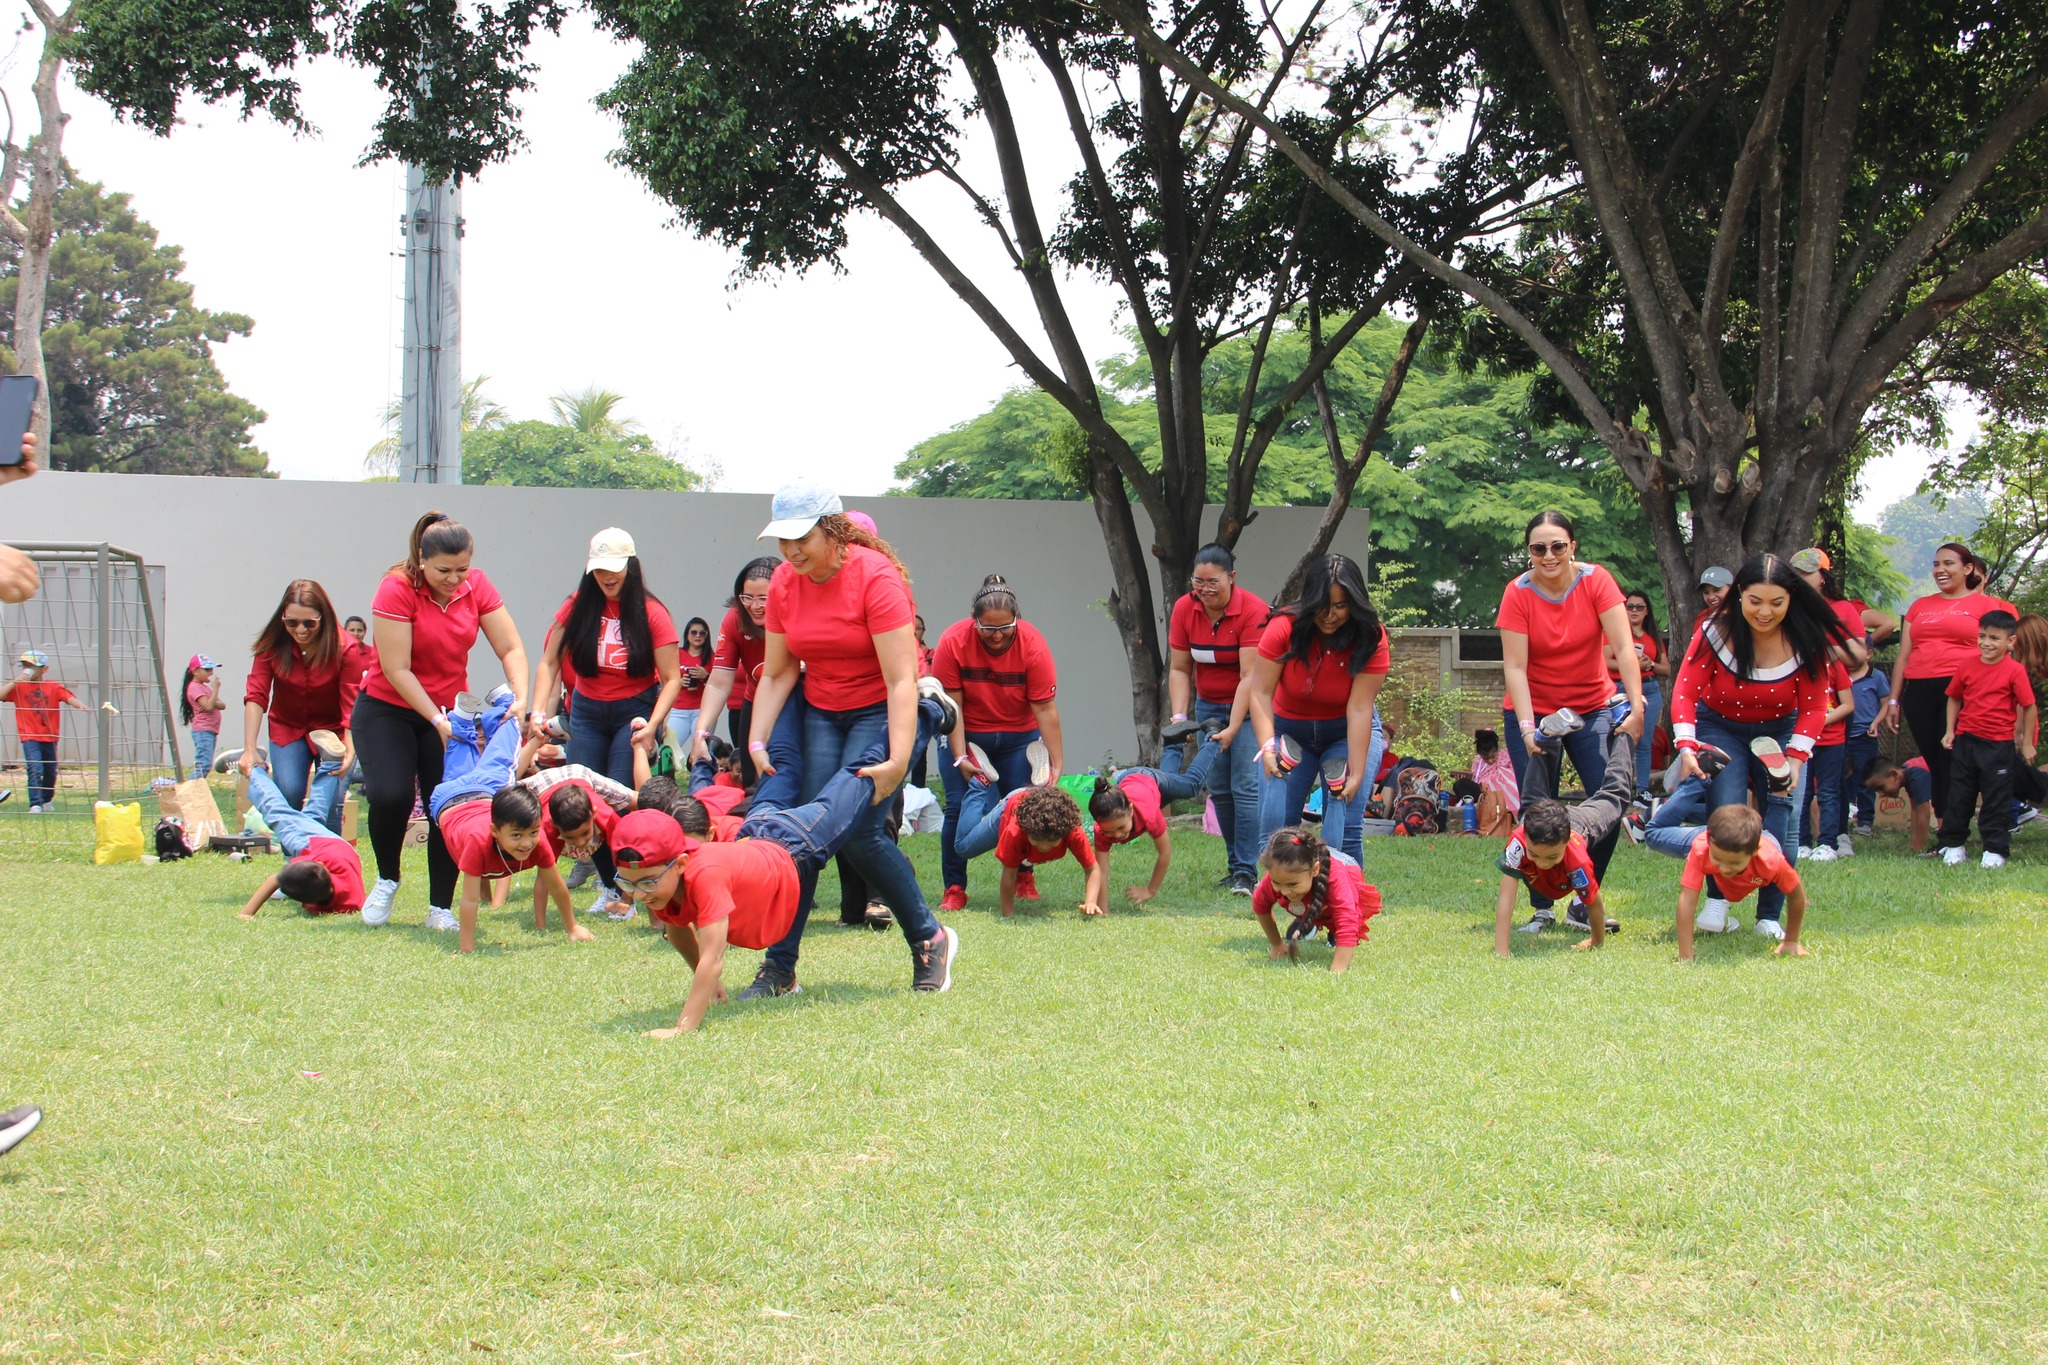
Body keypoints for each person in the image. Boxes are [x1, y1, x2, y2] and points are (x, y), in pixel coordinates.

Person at [743, 481, 960, 998]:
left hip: (877, 710)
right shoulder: (784, 585)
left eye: (802, 538)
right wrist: (756, 741)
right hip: (820, 709)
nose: (791, 551)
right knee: (807, 831)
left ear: (833, 530)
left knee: (856, 833)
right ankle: (781, 970)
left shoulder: (875, 578)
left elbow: (899, 678)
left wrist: (898, 759)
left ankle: (929, 937)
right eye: (782, 541)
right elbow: (776, 673)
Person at [617, 709, 959, 1036]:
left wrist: (685, 1025)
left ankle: (928, 712)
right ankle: (793, 694)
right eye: (628, 884)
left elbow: (713, 956)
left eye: (646, 883)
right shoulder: (657, 879)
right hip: (757, 827)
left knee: (858, 779)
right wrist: (708, 984)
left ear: (678, 863)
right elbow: (678, 933)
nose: (641, 894)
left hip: (796, 842)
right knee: (780, 765)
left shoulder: (702, 873)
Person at [1647, 553, 1848, 941]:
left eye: (1776, 603)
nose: (1765, 612)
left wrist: (1796, 760)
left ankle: (1768, 915)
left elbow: (1813, 707)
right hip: (1720, 727)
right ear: (1739, 594)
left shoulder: (1807, 640)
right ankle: (1718, 901)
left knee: (1784, 818)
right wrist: (1686, 745)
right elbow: (1686, 690)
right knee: (1726, 814)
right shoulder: (1714, 632)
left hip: (1783, 730)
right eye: (1755, 601)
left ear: (1791, 598)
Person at [354, 511, 530, 932]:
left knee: (449, 804)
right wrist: (435, 718)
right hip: (388, 708)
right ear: (421, 559)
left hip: (452, 714)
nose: (455, 579)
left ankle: (440, 907)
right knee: (390, 794)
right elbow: (397, 669)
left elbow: (511, 647)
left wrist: (521, 697)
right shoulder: (396, 588)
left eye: (462, 570)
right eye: (444, 571)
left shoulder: (477, 585)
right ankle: (387, 878)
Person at [1496, 512, 1644, 932]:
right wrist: (1527, 727)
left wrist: (1636, 706)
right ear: (1529, 553)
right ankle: (1542, 907)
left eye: (1557, 545)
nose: (1548, 555)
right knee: (1537, 810)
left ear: (1573, 546)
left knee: (1609, 802)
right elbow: (1515, 667)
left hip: (1592, 706)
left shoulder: (1597, 581)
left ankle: (1584, 900)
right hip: (1534, 710)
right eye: (1538, 548)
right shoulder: (1518, 592)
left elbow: (1623, 647)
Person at [1247, 553, 1390, 866]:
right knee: (1278, 828)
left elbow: (1360, 707)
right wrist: (1268, 746)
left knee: (1347, 823)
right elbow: (1260, 691)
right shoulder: (1283, 628)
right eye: (1323, 605)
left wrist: (1358, 769)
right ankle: (1284, 900)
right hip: (1289, 730)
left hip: (1343, 730)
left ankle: (1345, 906)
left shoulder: (1371, 637)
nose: (1330, 615)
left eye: (1341, 605)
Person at [932, 573, 1063, 909]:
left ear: (1017, 619)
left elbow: (1045, 708)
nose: (997, 635)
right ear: (973, 621)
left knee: (1024, 807)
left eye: (1006, 627)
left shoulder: (1032, 644)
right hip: (967, 732)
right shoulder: (953, 641)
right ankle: (955, 887)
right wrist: (960, 758)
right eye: (988, 629)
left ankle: (1023, 874)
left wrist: (1057, 762)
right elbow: (952, 707)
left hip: (1020, 739)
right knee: (958, 809)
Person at [428, 694, 589, 954]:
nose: (527, 843)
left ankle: (463, 718)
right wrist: (467, 949)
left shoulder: (534, 839)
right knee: (505, 755)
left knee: (471, 755)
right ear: (495, 831)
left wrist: (572, 928)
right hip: (451, 799)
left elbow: (556, 885)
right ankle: (502, 707)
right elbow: (469, 899)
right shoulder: (477, 842)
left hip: (484, 794)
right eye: (516, 836)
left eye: (532, 833)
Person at [531, 528, 683, 792]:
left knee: (620, 791)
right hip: (586, 710)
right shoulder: (577, 605)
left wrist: (653, 726)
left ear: (630, 566)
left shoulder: (653, 612)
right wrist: (538, 711)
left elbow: (672, 679)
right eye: (599, 569)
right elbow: (549, 662)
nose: (606, 576)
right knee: (581, 792)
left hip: (635, 710)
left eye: (613, 568)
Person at [1878, 543, 2018, 824]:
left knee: (1952, 760)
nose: (1940, 570)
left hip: (1962, 690)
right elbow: (1903, 657)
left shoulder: (1988, 605)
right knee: (1933, 759)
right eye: (1936, 564)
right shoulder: (1920, 606)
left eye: (1948, 564)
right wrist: (1894, 700)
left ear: (1967, 569)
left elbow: (2003, 654)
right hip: (1918, 690)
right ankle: (1946, 829)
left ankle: (1953, 834)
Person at [1165, 544, 1270, 895]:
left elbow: (1249, 677)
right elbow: (1180, 668)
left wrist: (1234, 727)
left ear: (1232, 578)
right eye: (1198, 581)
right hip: (1209, 705)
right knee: (1220, 790)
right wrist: (1181, 717)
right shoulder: (1185, 608)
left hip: (1250, 705)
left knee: (1246, 786)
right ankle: (1236, 866)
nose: (1205, 589)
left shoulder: (1252, 610)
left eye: (1214, 582)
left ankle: (1247, 870)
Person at [232, 580, 364, 832]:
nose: (300, 630)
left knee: (333, 801)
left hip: (333, 732)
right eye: (291, 622)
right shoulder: (271, 645)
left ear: (322, 618)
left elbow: (351, 702)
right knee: (289, 793)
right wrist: (250, 749)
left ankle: (329, 866)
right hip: (288, 727)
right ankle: (294, 865)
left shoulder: (344, 647)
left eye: (309, 623)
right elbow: (257, 695)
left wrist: (349, 750)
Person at [1493, 729, 1636, 955]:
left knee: (1615, 795)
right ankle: (1548, 738)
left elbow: (1594, 903)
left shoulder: (1575, 855)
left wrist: (1596, 941)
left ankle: (1624, 732)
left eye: (1552, 857)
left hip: (1579, 823)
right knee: (1531, 797)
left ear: (1565, 844)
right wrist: (1501, 950)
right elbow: (1506, 898)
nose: (1543, 864)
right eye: (1535, 855)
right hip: (1538, 818)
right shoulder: (1519, 843)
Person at [1936, 610, 2036, 868]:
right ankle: (1954, 844)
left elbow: (2029, 705)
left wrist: (2025, 743)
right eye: (1982, 636)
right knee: (1959, 794)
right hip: (1966, 741)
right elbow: (1954, 697)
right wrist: (1950, 730)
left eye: (1994, 638)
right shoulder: (1967, 666)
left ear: (2010, 642)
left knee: (1996, 798)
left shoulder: (2015, 671)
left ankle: (1995, 849)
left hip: (1998, 745)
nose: (1986, 643)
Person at [1086, 730, 1225, 905]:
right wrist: (1103, 911)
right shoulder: (1103, 827)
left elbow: (1164, 853)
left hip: (1149, 778)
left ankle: (1213, 738)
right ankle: (1174, 742)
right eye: (1110, 832)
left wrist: (1150, 890)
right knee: (1171, 780)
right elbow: (1102, 871)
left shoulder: (1149, 815)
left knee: (1191, 786)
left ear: (1130, 809)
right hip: (1138, 786)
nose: (1117, 836)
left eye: (1121, 828)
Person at [1656, 805, 1810, 960]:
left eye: (1734, 863)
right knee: (1653, 835)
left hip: (1767, 843)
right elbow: (1686, 901)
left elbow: (1796, 895)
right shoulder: (1701, 850)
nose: (1724, 868)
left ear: (1753, 853)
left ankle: (1780, 794)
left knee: (1777, 832)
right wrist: (1686, 956)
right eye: (1717, 859)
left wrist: (1791, 941)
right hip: (1720, 841)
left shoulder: (1770, 860)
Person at [953, 778, 1107, 917]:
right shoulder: (1015, 831)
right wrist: (1008, 914)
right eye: (1036, 839)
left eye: (1052, 841)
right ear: (1027, 831)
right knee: (963, 848)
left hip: (1041, 801)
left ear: (1064, 833)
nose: (1044, 846)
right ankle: (978, 785)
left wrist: (1091, 902)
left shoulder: (1072, 830)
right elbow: (1008, 876)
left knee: (1024, 857)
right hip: (1014, 803)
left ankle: (1042, 781)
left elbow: (1092, 869)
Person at [236, 764, 366, 917]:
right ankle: (331, 765)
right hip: (318, 844)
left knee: (292, 813)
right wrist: (246, 913)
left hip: (340, 849)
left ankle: (253, 769)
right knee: (284, 815)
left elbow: (276, 880)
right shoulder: (343, 903)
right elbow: (275, 880)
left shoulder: (352, 902)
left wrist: (246, 913)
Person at [690, 558, 777, 787]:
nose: (755, 606)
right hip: (755, 703)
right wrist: (701, 732)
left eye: (763, 598)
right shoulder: (735, 619)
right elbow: (719, 682)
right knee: (753, 782)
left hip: (797, 704)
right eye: (748, 597)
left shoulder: (796, 616)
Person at [1250, 826, 1382, 973]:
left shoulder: (1337, 879)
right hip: (1313, 877)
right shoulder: (1279, 874)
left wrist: (1338, 970)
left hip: (1343, 869)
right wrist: (1277, 944)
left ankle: (1325, 925)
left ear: (1314, 870)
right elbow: (1261, 906)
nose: (1285, 891)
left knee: (1339, 922)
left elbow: (1347, 920)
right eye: (1277, 883)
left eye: (1292, 884)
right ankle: (1311, 916)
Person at [1, 650, 89, 812]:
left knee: (50, 770)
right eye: (26, 666)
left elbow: (67, 697)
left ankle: (46, 800)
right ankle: (35, 803)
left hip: (50, 736)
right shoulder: (19, 686)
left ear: (44, 669)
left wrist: (80, 705)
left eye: (33, 666)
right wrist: (15, 681)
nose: (28, 669)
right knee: (35, 768)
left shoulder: (53, 686)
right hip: (29, 736)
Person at [1607, 590, 1669, 797]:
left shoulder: (1653, 637)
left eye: (1639, 607)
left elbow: (1666, 669)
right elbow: (1604, 660)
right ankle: (1615, 789)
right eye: (1629, 606)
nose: (1634, 611)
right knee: (1617, 740)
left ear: (1647, 611)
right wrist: (1632, 664)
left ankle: (1642, 790)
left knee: (1644, 740)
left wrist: (1650, 664)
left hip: (1649, 689)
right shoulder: (1614, 631)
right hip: (1620, 689)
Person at [1795, 655, 1856, 862]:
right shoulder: (1792, 666)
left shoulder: (1835, 666)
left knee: (1828, 792)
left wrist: (1820, 720)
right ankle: (1801, 842)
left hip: (1832, 741)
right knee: (1801, 792)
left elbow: (1847, 705)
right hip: (1801, 740)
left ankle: (1827, 844)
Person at [1790, 547, 1892, 647]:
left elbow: (1888, 624)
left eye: (1806, 572)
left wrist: (1865, 645)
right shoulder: (1785, 607)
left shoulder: (1845, 608)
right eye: (1796, 573)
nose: (1800, 578)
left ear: (1823, 576)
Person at [1844, 652, 1889, 839]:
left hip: (1865, 736)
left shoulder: (1877, 677)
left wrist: (1876, 723)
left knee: (1865, 778)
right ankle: (1843, 818)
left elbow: (1886, 703)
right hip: (1842, 735)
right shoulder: (1840, 674)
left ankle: (1865, 820)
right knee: (1842, 778)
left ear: (1869, 653)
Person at [1862, 755, 1937, 855]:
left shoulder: (1916, 776)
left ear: (1894, 774)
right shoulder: (1907, 773)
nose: (1881, 795)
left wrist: (1919, 847)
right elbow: (1915, 810)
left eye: (1880, 788)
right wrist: (1914, 844)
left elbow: (1924, 815)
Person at [669, 615, 714, 755]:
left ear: (707, 636)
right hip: (679, 709)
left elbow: (721, 685)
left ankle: (699, 776)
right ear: (687, 635)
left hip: (702, 710)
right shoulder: (677, 654)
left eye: (702, 633)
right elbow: (663, 677)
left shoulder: (712, 657)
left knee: (702, 750)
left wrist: (706, 676)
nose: (698, 636)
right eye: (693, 632)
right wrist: (679, 682)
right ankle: (667, 777)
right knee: (668, 749)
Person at [180, 654, 226, 781]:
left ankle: (194, 790)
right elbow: (209, 706)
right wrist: (215, 690)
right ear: (195, 671)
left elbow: (222, 705)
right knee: (203, 765)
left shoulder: (204, 688)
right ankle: (189, 790)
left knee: (205, 764)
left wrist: (211, 701)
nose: (211, 673)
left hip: (210, 730)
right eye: (207, 670)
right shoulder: (194, 687)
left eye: (212, 669)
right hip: (203, 731)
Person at [1692, 565, 1734, 639]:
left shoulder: (1744, 613)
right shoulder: (1703, 617)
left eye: (1716, 590)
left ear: (1731, 589)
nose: (1711, 597)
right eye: (1706, 592)